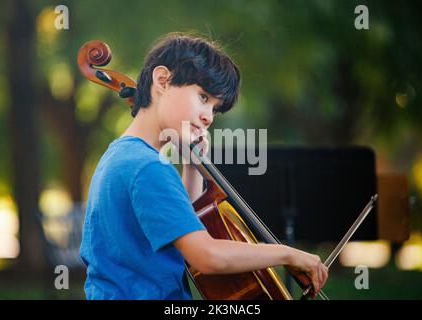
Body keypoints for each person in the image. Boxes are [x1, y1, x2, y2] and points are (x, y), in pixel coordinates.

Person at [79, 32, 328, 300]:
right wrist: (288, 254)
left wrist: (191, 167)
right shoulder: (149, 168)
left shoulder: (122, 156)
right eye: (204, 97)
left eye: (215, 109)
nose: (209, 117)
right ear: (162, 80)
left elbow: (183, 224)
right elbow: (204, 256)